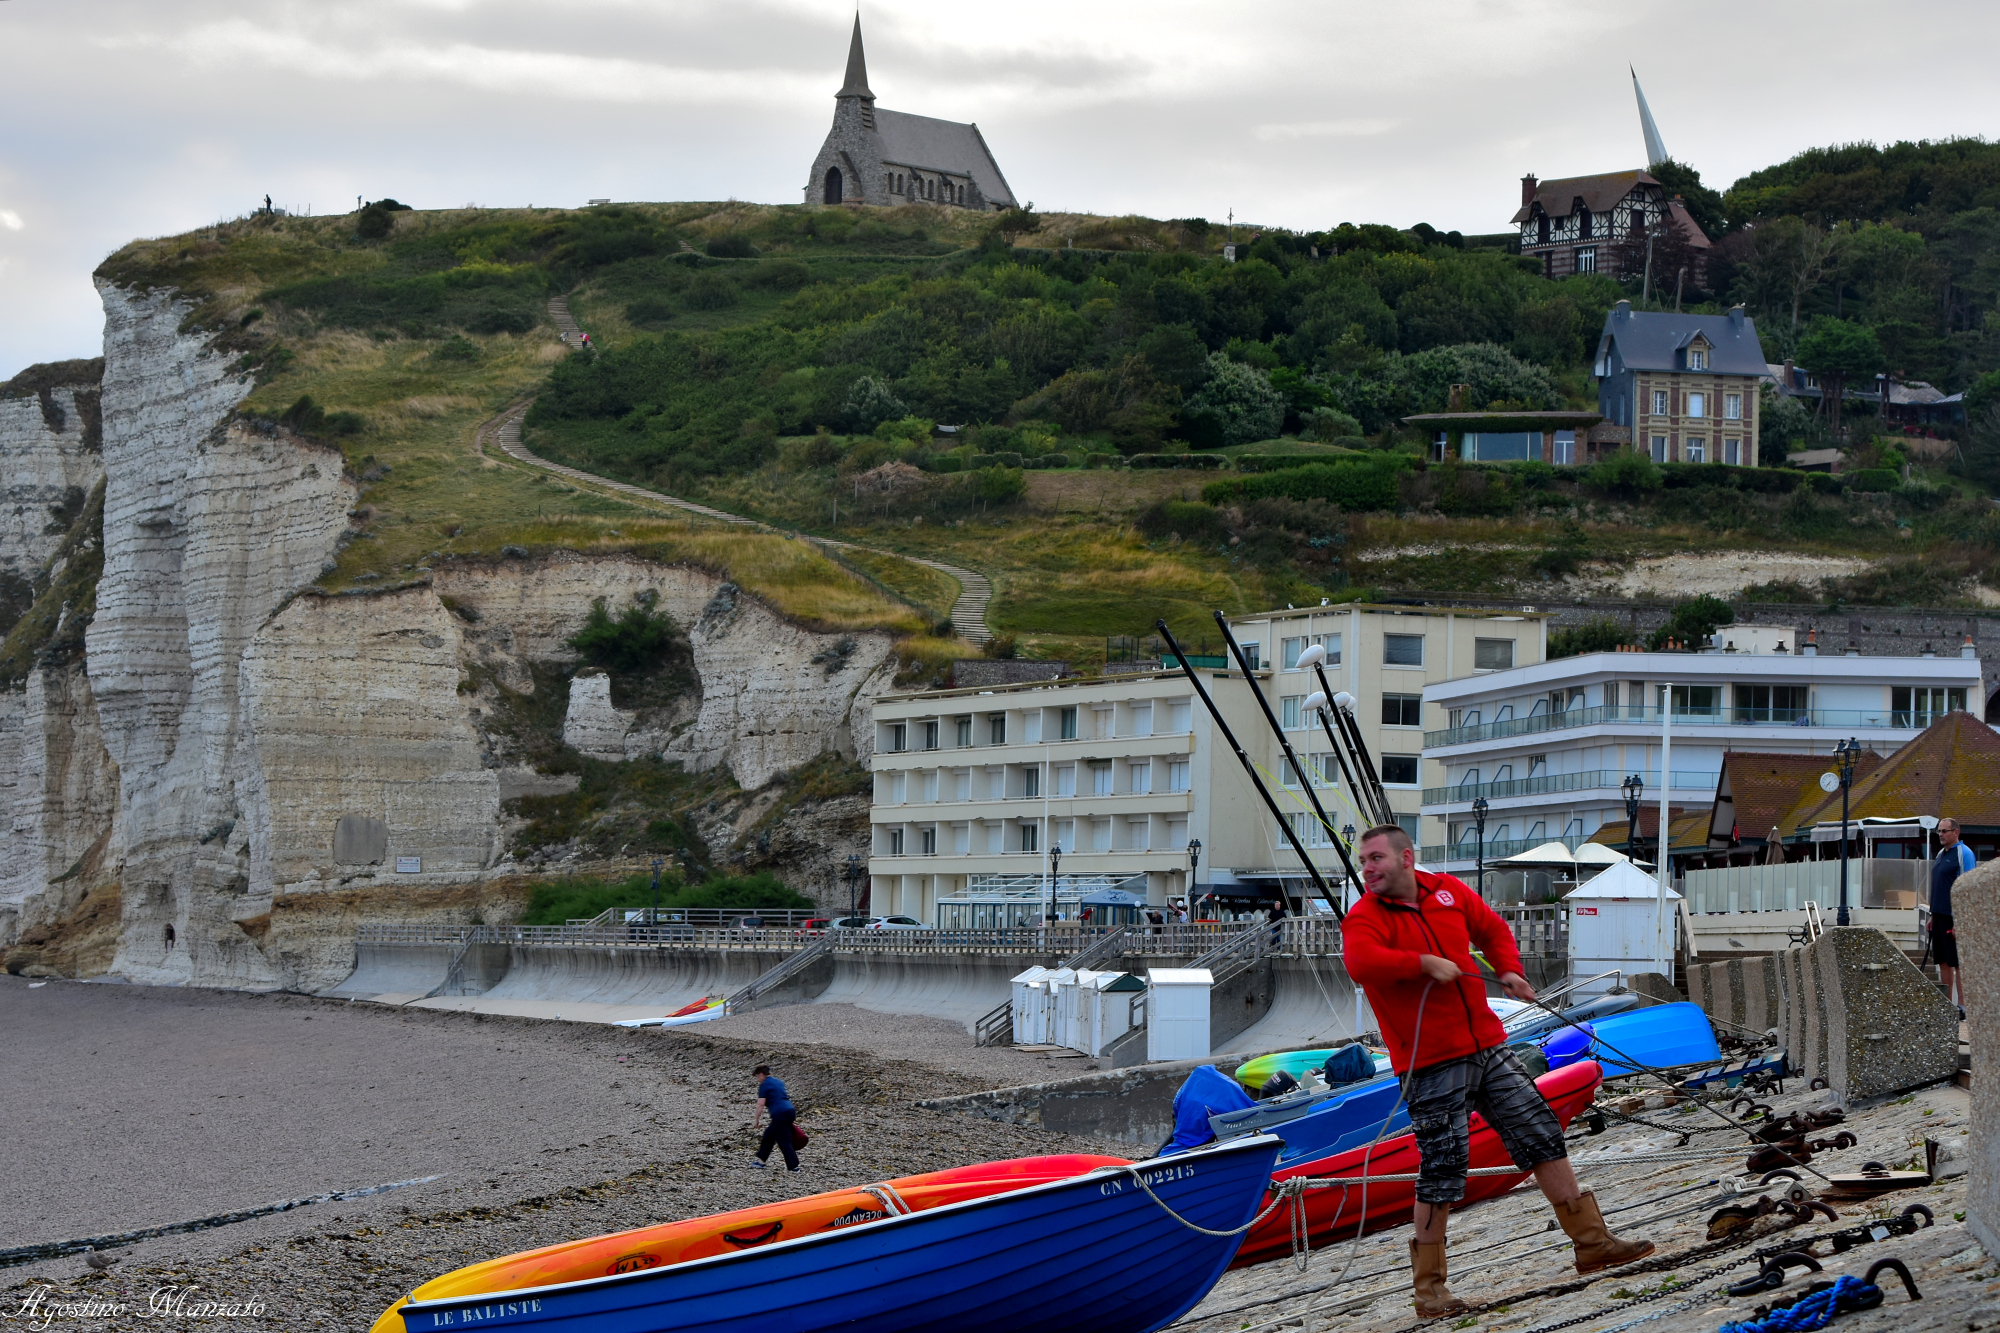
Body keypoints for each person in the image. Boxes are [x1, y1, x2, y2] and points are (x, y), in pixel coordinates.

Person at [1343, 825, 1652, 1317]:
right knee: (1442, 1168)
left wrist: (1509, 968)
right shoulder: (1364, 917)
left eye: (1376, 858)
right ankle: (1430, 1291)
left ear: (1406, 857)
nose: (1369, 868)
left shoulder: (1448, 890)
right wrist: (1422, 962)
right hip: (1430, 1062)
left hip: (1488, 1045)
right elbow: (1361, 962)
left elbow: (1490, 929)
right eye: (1364, 861)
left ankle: (1592, 1244)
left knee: (1541, 1134)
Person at [1933, 817, 1976, 1013]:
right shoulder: (1941, 854)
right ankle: (1947, 1004)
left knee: (1958, 962)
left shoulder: (1964, 853)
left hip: (1954, 917)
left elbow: (1968, 886)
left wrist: (1961, 920)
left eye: (1944, 831)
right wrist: (1933, 916)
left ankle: (1964, 1006)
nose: (1941, 835)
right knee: (1943, 961)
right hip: (1939, 915)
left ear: (1955, 832)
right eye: (1939, 831)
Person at [750, 1064, 800, 1172]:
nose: (757, 1079)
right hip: (790, 1111)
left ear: (762, 1074)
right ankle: (761, 1161)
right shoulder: (778, 1082)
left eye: (757, 1076)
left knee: (784, 1140)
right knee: (769, 1136)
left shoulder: (764, 1085)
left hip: (780, 1114)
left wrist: (757, 1119)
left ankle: (794, 1166)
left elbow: (760, 1104)